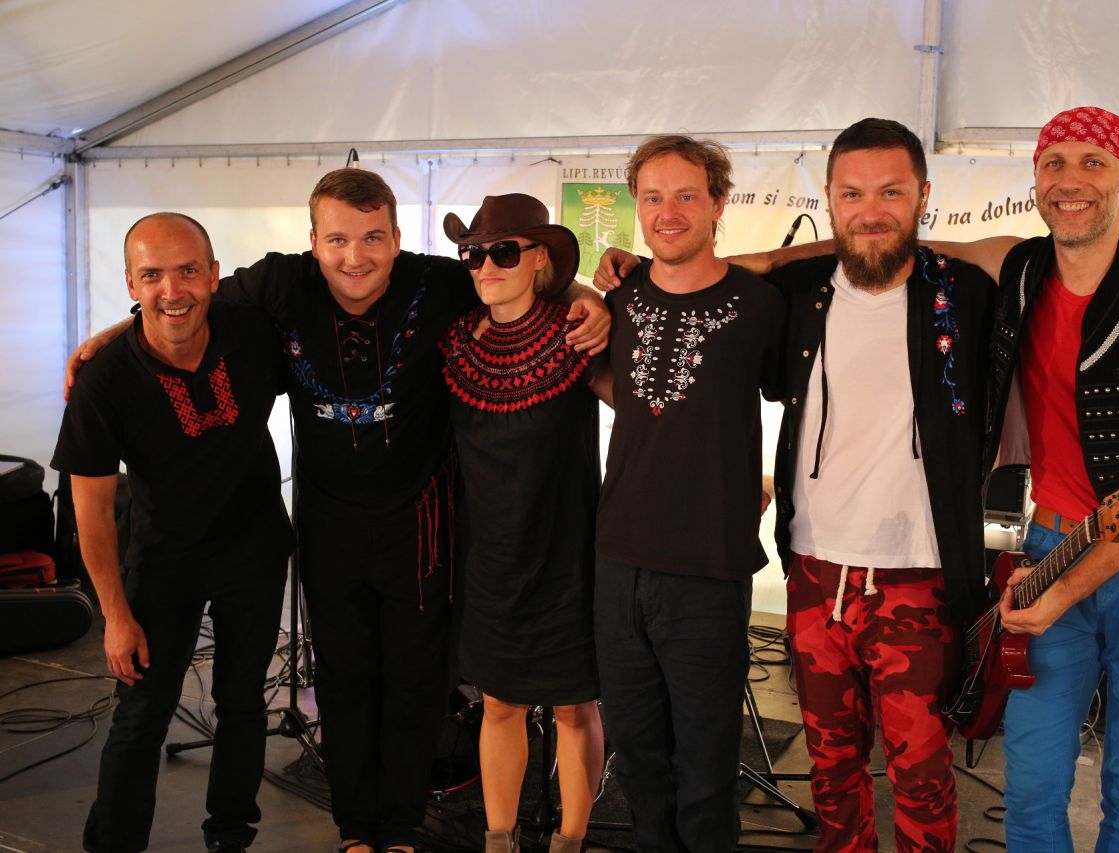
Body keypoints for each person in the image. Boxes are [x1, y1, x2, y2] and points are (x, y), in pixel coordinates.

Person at [64, 169, 609, 853]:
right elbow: (182, 297)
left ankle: (400, 827)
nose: (356, 256)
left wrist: (590, 298)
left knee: (415, 681)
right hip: (328, 523)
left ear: (397, 238)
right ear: (314, 241)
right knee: (342, 680)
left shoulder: (440, 280)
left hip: (420, 522)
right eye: (339, 239)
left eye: (373, 237)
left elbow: (526, 278)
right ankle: (355, 829)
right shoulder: (280, 283)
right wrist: (114, 333)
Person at [596, 118, 995, 853]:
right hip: (812, 571)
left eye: (891, 192)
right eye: (851, 194)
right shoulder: (799, 292)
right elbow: (695, 302)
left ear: (924, 195)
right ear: (829, 199)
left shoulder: (960, 292)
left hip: (916, 574)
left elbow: (1033, 260)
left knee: (920, 773)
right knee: (832, 771)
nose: (869, 210)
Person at [939, 106, 1119, 851]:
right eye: (1053, 162)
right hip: (1051, 543)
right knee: (1030, 788)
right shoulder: (1017, 265)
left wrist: (1063, 591)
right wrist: (741, 264)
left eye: (1093, 162)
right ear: (1035, 177)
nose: (1071, 180)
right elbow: (891, 241)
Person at [52, 213, 294, 853]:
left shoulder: (253, 331)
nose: (172, 290)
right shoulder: (105, 381)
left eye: (188, 271)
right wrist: (115, 616)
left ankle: (231, 835)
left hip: (254, 550)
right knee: (141, 715)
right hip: (164, 562)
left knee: (243, 703)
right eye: (152, 275)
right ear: (130, 283)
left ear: (214, 275)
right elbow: (90, 513)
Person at [591, 135, 785, 853]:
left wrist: (769, 481)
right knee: (637, 759)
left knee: (705, 769)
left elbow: (805, 397)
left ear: (718, 204)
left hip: (708, 566)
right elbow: (625, 389)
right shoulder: (621, 297)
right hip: (618, 559)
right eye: (652, 197)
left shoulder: (761, 304)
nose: (667, 212)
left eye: (685, 196)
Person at [438, 193, 610, 853]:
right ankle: (498, 838)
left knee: (575, 706)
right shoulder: (455, 340)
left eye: (504, 251)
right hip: (489, 558)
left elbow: (648, 410)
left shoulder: (578, 333)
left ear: (541, 259)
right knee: (499, 703)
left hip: (567, 554)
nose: (486, 265)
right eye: (475, 254)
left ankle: (570, 840)